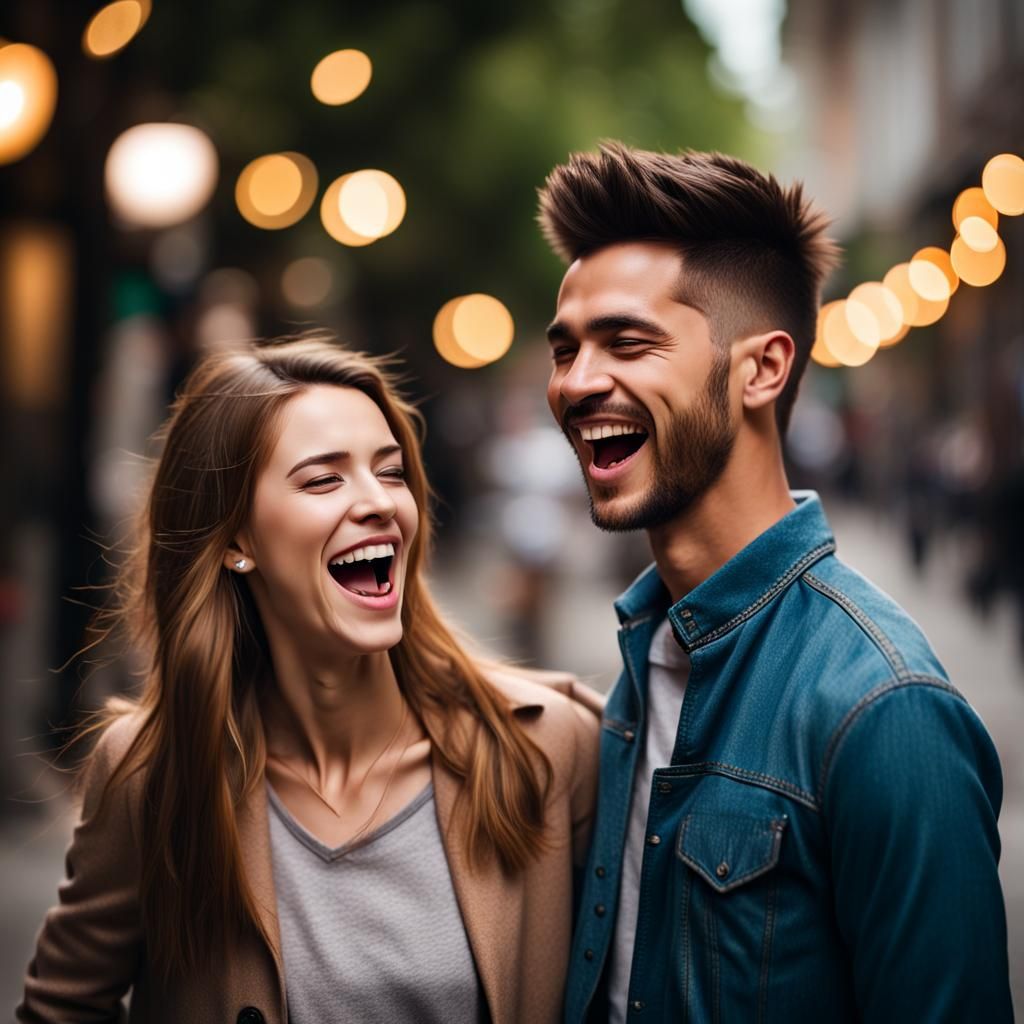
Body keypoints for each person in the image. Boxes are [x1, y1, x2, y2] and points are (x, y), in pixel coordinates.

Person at [537, 143, 1013, 1023]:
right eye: (564, 350)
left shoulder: (884, 706)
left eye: (627, 343)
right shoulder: (642, 668)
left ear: (762, 368)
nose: (576, 382)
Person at [18, 335, 600, 1024]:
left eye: (390, 473)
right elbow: (59, 1008)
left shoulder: (549, 747)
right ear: (235, 540)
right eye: (324, 479)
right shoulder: (154, 773)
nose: (379, 503)